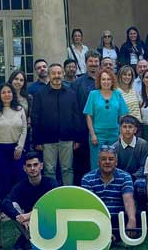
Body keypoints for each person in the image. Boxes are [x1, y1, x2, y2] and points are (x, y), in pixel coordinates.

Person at [1, 153, 59, 250]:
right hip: (27, 223)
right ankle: (30, 242)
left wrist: (29, 215)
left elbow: (53, 205)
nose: (32, 168)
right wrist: (19, 217)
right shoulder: (21, 185)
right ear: (24, 168)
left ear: (41, 166)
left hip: (48, 220)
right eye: (29, 166)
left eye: (35, 165)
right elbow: (5, 203)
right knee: (13, 205)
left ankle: (22, 243)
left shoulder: (51, 183)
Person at [31, 64, 81, 185]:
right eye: (53, 73)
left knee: (67, 169)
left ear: (63, 74)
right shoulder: (40, 94)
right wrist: (37, 140)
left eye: (59, 73)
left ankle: (68, 193)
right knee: (49, 170)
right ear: (49, 75)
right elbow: (35, 117)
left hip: (67, 138)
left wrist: (77, 138)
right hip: (47, 139)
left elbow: (76, 117)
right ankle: (52, 193)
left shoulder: (71, 93)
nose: (56, 76)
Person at [0, 83, 27, 198]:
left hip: (16, 150)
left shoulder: (19, 109)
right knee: (2, 180)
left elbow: (24, 129)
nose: (7, 94)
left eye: (9, 92)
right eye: (3, 92)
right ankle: (2, 205)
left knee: (18, 178)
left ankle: (16, 204)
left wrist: (20, 147)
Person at [81, 146, 138, 237]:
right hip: (97, 219)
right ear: (98, 162)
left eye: (111, 159)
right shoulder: (87, 179)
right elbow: (90, 206)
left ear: (116, 162)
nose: (107, 162)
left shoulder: (125, 177)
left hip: (118, 219)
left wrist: (132, 219)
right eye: (103, 159)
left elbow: (128, 200)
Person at [83, 70, 129, 170]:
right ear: (99, 81)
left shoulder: (117, 94)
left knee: (113, 163)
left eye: (108, 79)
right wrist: (92, 134)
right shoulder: (93, 94)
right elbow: (88, 116)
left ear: (112, 81)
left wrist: (121, 134)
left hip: (114, 135)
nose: (106, 82)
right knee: (97, 164)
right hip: (98, 135)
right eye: (103, 79)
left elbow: (123, 116)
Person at [72, 51, 101, 183]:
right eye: (91, 61)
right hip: (83, 131)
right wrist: (76, 135)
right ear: (85, 63)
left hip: (102, 129)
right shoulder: (77, 83)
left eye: (96, 61)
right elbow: (74, 109)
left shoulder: (106, 81)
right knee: (83, 164)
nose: (93, 64)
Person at [112, 115, 148, 202]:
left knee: (141, 184)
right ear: (120, 129)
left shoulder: (143, 144)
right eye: (124, 127)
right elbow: (115, 168)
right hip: (122, 178)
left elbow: (144, 166)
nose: (127, 129)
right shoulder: (115, 147)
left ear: (135, 130)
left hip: (139, 177)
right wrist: (125, 178)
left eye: (130, 127)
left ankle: (141, 208)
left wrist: (132, 177)